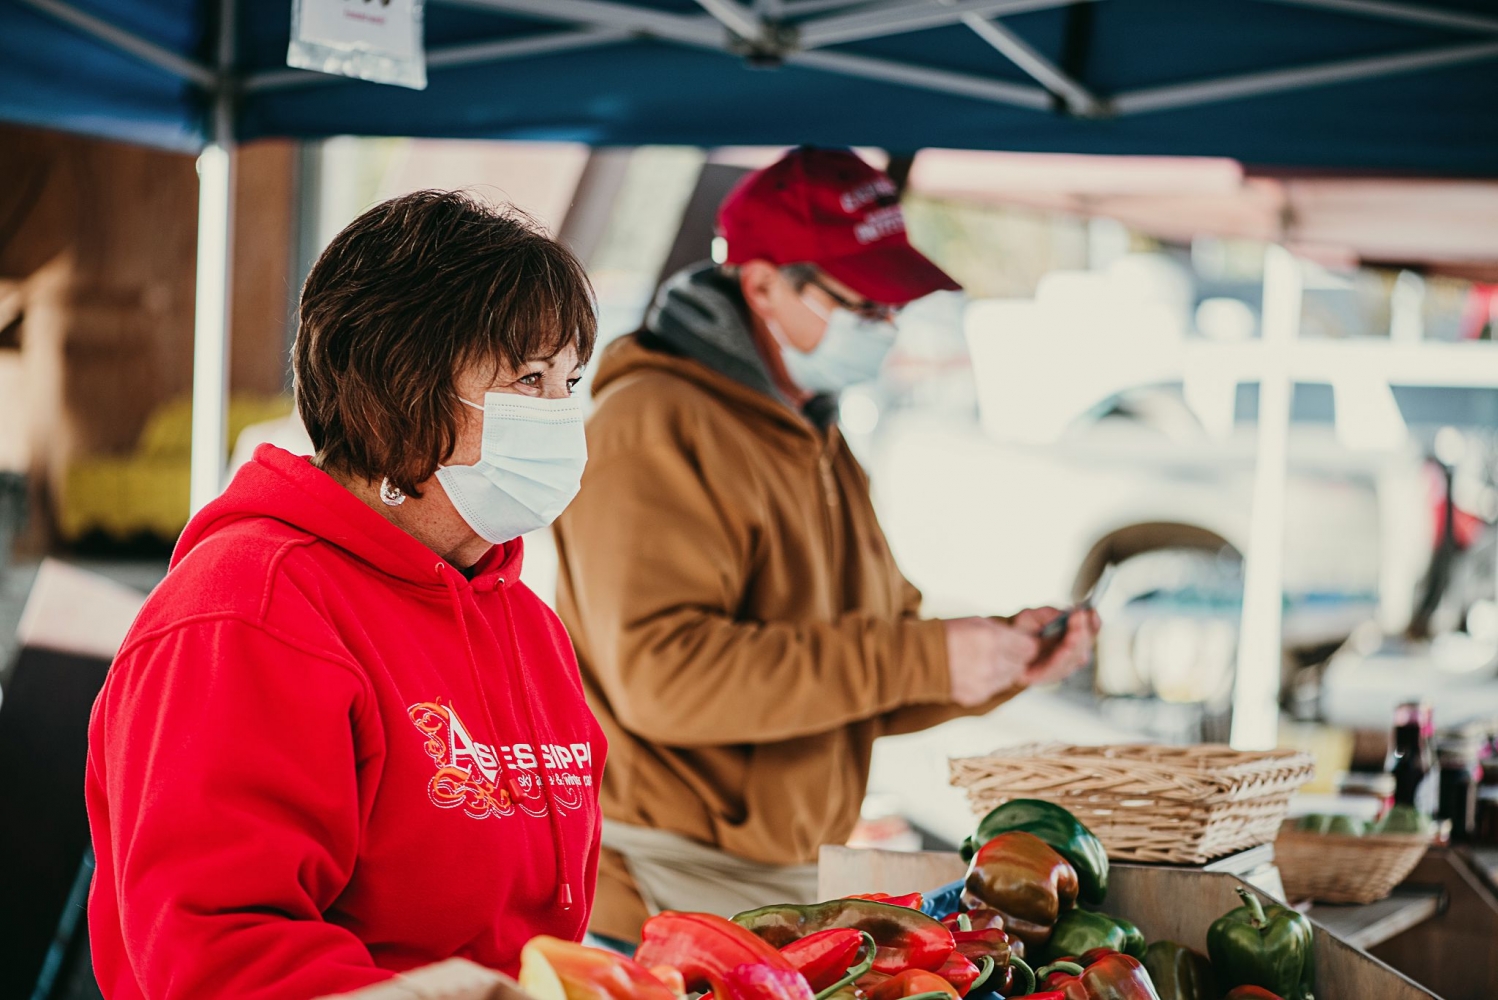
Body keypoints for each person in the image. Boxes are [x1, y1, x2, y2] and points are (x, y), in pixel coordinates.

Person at [552, 146, 1100, 946]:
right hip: (665, 889)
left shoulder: (813, 431)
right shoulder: (650, 426)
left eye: (893, 306)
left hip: (778, 874)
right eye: (864, 303)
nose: (885, 325)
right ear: (763, 282)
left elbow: (860, 668)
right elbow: (663, 676)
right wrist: (924, 659)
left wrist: (990, 661)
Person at [85, 191, 605, 999]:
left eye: (569, 379)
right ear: (399, 388)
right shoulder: (248, 612)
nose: (561, 413)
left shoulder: (524, 619)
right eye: (528, 379)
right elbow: (218, 955)